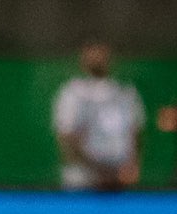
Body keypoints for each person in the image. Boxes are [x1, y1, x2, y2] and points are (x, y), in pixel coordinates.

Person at [53, 42, 144, 191]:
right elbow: (66, 138)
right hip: (83, 182)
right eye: (91, 51)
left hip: (119, 182)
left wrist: (130, 167)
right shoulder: (72, 94)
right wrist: (99, 172)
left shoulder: (125, 93)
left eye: (100, 51)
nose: (97, 56)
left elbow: (136, 133)